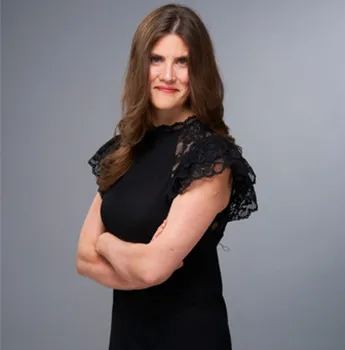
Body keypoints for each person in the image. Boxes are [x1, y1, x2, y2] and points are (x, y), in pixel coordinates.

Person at [76, 3, 258, 350]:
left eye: (183, 62)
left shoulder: (209, 157)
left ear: (199, 69)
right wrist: (124, 257)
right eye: (156, 59)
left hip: (188, 337)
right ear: (140, 66)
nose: (168, 75)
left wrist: (107, 244)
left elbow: (151, 270)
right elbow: (84, 258)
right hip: (128, 338)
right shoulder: (125, 148)